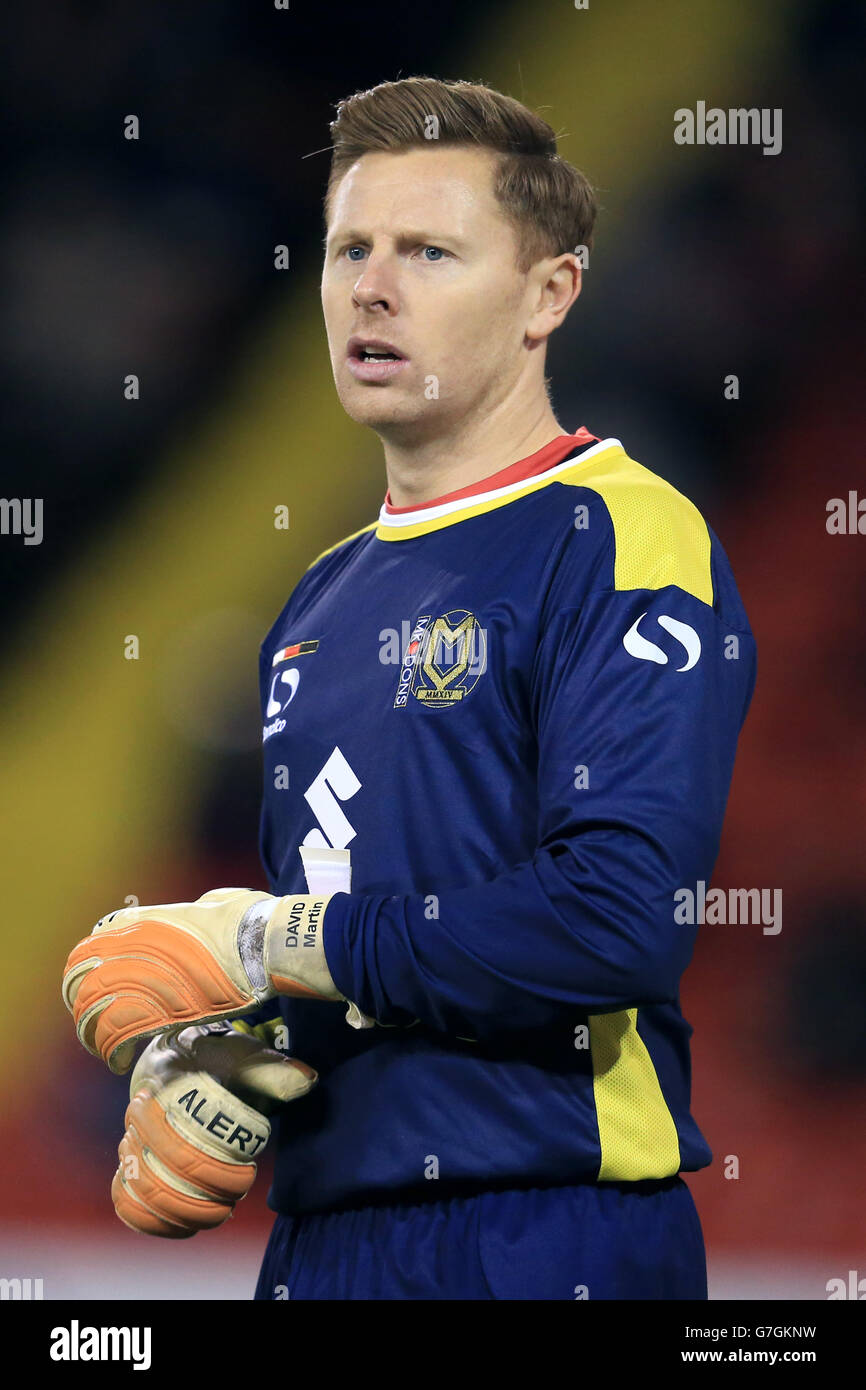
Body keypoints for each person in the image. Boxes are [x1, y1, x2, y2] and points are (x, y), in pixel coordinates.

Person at [62, 75, 756, 1300]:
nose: (371, 288)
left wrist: (261, 938)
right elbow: (371, 950)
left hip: (546, 1234)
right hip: (324, 1246)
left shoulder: (620, 537)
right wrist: (240, 1062)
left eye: (430, 251)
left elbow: (614, 921)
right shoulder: (316, 602)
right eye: (349, 250)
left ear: (550, 293)